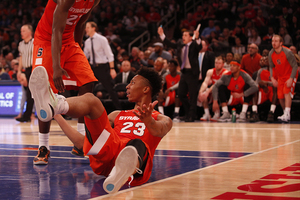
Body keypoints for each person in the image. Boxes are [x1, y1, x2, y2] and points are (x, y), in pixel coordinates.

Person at [29, 66, 172, 194]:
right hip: (108, 156)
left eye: (132, 83)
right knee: (92, 100)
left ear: (146, 89)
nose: (127, 86)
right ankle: (54, 105)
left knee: (136, 144)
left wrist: (148, 120)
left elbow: (158, 130)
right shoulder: (117, 115)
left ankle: (119, 173)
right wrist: (56, 115)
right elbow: (84, 143)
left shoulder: (161, 118)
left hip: (136, 167)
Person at [31, 0, 101, 165]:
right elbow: (56, 30)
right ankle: (43, 147)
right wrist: (57, 67)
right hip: (46, 40)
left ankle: (81, 141)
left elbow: (81, 22)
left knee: (88, 81)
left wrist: (77, 47)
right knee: (44, 91)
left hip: (69, 41)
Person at [158, 26, 202, 122]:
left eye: (186, 35)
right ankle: (188, 113)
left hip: (193, 73)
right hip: (184, 72)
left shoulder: (194, 44)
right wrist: (162, 34)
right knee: (181, 94)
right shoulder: (180, 44)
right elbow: (169, 43)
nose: (183, 37)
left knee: (193, 95)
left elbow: (200, 46)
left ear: (191, 37)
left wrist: (198, 38)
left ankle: (191, 116)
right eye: (183, 35)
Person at [84, 21, 121, 110]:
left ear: (94, 28)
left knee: (110, 89)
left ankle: (119, 110)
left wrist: (112, 68)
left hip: (102, 67)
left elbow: (109, 54)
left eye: (88, 27)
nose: (86, 29)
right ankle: (87, 111)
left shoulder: (102, 39)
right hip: (92, 67)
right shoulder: (87, 41)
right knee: (87, 89)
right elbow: (85, 56)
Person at [269, 35, 298, 122]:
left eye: (276, 41)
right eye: (273, 41)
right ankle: (285, 113)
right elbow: (271, 67)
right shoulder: (271, 53)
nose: (274, 43)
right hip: (280, 76)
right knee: (280, 96)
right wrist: (272, 78)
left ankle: (287, 113)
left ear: (281, 43)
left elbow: (295, 66)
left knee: (286, 91)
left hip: (290, 75)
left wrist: (291, 78)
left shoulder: (287, 52)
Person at [198, 56, 228, 121]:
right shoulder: (210, 71)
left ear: (223, 64)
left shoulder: (225, 72)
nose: (217, 65)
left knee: (217, 91)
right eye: (216, 63)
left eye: (219, 63)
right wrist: (201, 92)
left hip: (223, 91)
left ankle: (217, 113)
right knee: (203, 93)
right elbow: (205, 82)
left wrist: (208, 91)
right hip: (212, 89)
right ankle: (207, 113)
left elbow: (216, 84)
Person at [249, 56, 277, 122]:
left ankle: (271, 112)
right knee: (255, 88)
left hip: (273, 90)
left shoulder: (276, 70)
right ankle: (254, 112)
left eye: (267, 60)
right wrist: (261, 84)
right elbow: (256, 83)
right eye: (265, 60)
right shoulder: (261, 71)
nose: (265, 61)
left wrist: (266, 83)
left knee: (275, 88)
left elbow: (278, 83)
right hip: (263, 90)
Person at [16, 24, 34, 122]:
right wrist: (19, 71)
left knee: (30, 93)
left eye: (23, 31)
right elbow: (21, 58)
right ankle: (27, 115)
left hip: (34, 69)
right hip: (26, 70)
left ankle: (27, 116)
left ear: (29, 32)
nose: (21, 32)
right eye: (21, 31)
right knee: (28, 94)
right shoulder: (21, 44)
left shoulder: (35, 42)